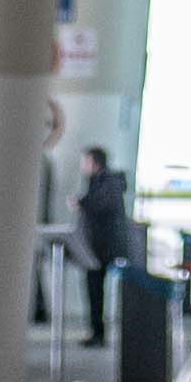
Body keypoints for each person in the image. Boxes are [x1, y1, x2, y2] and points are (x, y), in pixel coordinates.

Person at [74, 144, 130, 344]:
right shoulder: (101, 182)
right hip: (99, 246)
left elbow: (102, 206)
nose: (82, 165)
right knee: (94, 289)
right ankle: (96, 332)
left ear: (94, 162)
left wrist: (82, 203)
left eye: (85, 161)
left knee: (96, 289)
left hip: (102, 247)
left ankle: (98, 333)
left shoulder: (106, 183)